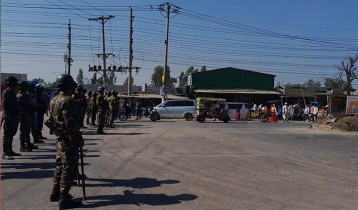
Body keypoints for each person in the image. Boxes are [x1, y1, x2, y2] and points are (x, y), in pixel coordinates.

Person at [49, 74, 83, 209]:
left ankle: (55, 192)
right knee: (68, 168)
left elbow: (51, 119)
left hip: (59, 138)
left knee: (59, 165)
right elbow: (71, 124)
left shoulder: (54, 100)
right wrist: (78, 138)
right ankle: (64, 198)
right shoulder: (67, 101)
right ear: (69, 86)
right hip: (69, 139)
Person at [2, 76, 21, 160]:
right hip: (9, 116)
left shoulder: (13, 92)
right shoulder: (6, 92)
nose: (16, 84)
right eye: (14, 82)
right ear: (10, 83)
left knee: (12, 134)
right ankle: (5, 152)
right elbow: (5, 106)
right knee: (7, 135)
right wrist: (7, 116)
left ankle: (10, 150)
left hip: (14, 116)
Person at [17, 81, 39, 152]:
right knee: (23, 131)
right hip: (24, 115)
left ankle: (28, 143)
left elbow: (33, 102)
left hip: (29, 115)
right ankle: (22, 145)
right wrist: (33, 104)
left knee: (27, 130)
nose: (27, 88)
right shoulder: (20, 96)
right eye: (26, 87)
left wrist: (33, 104)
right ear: (22, 87)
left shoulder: (26, 94)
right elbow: (30, 103)